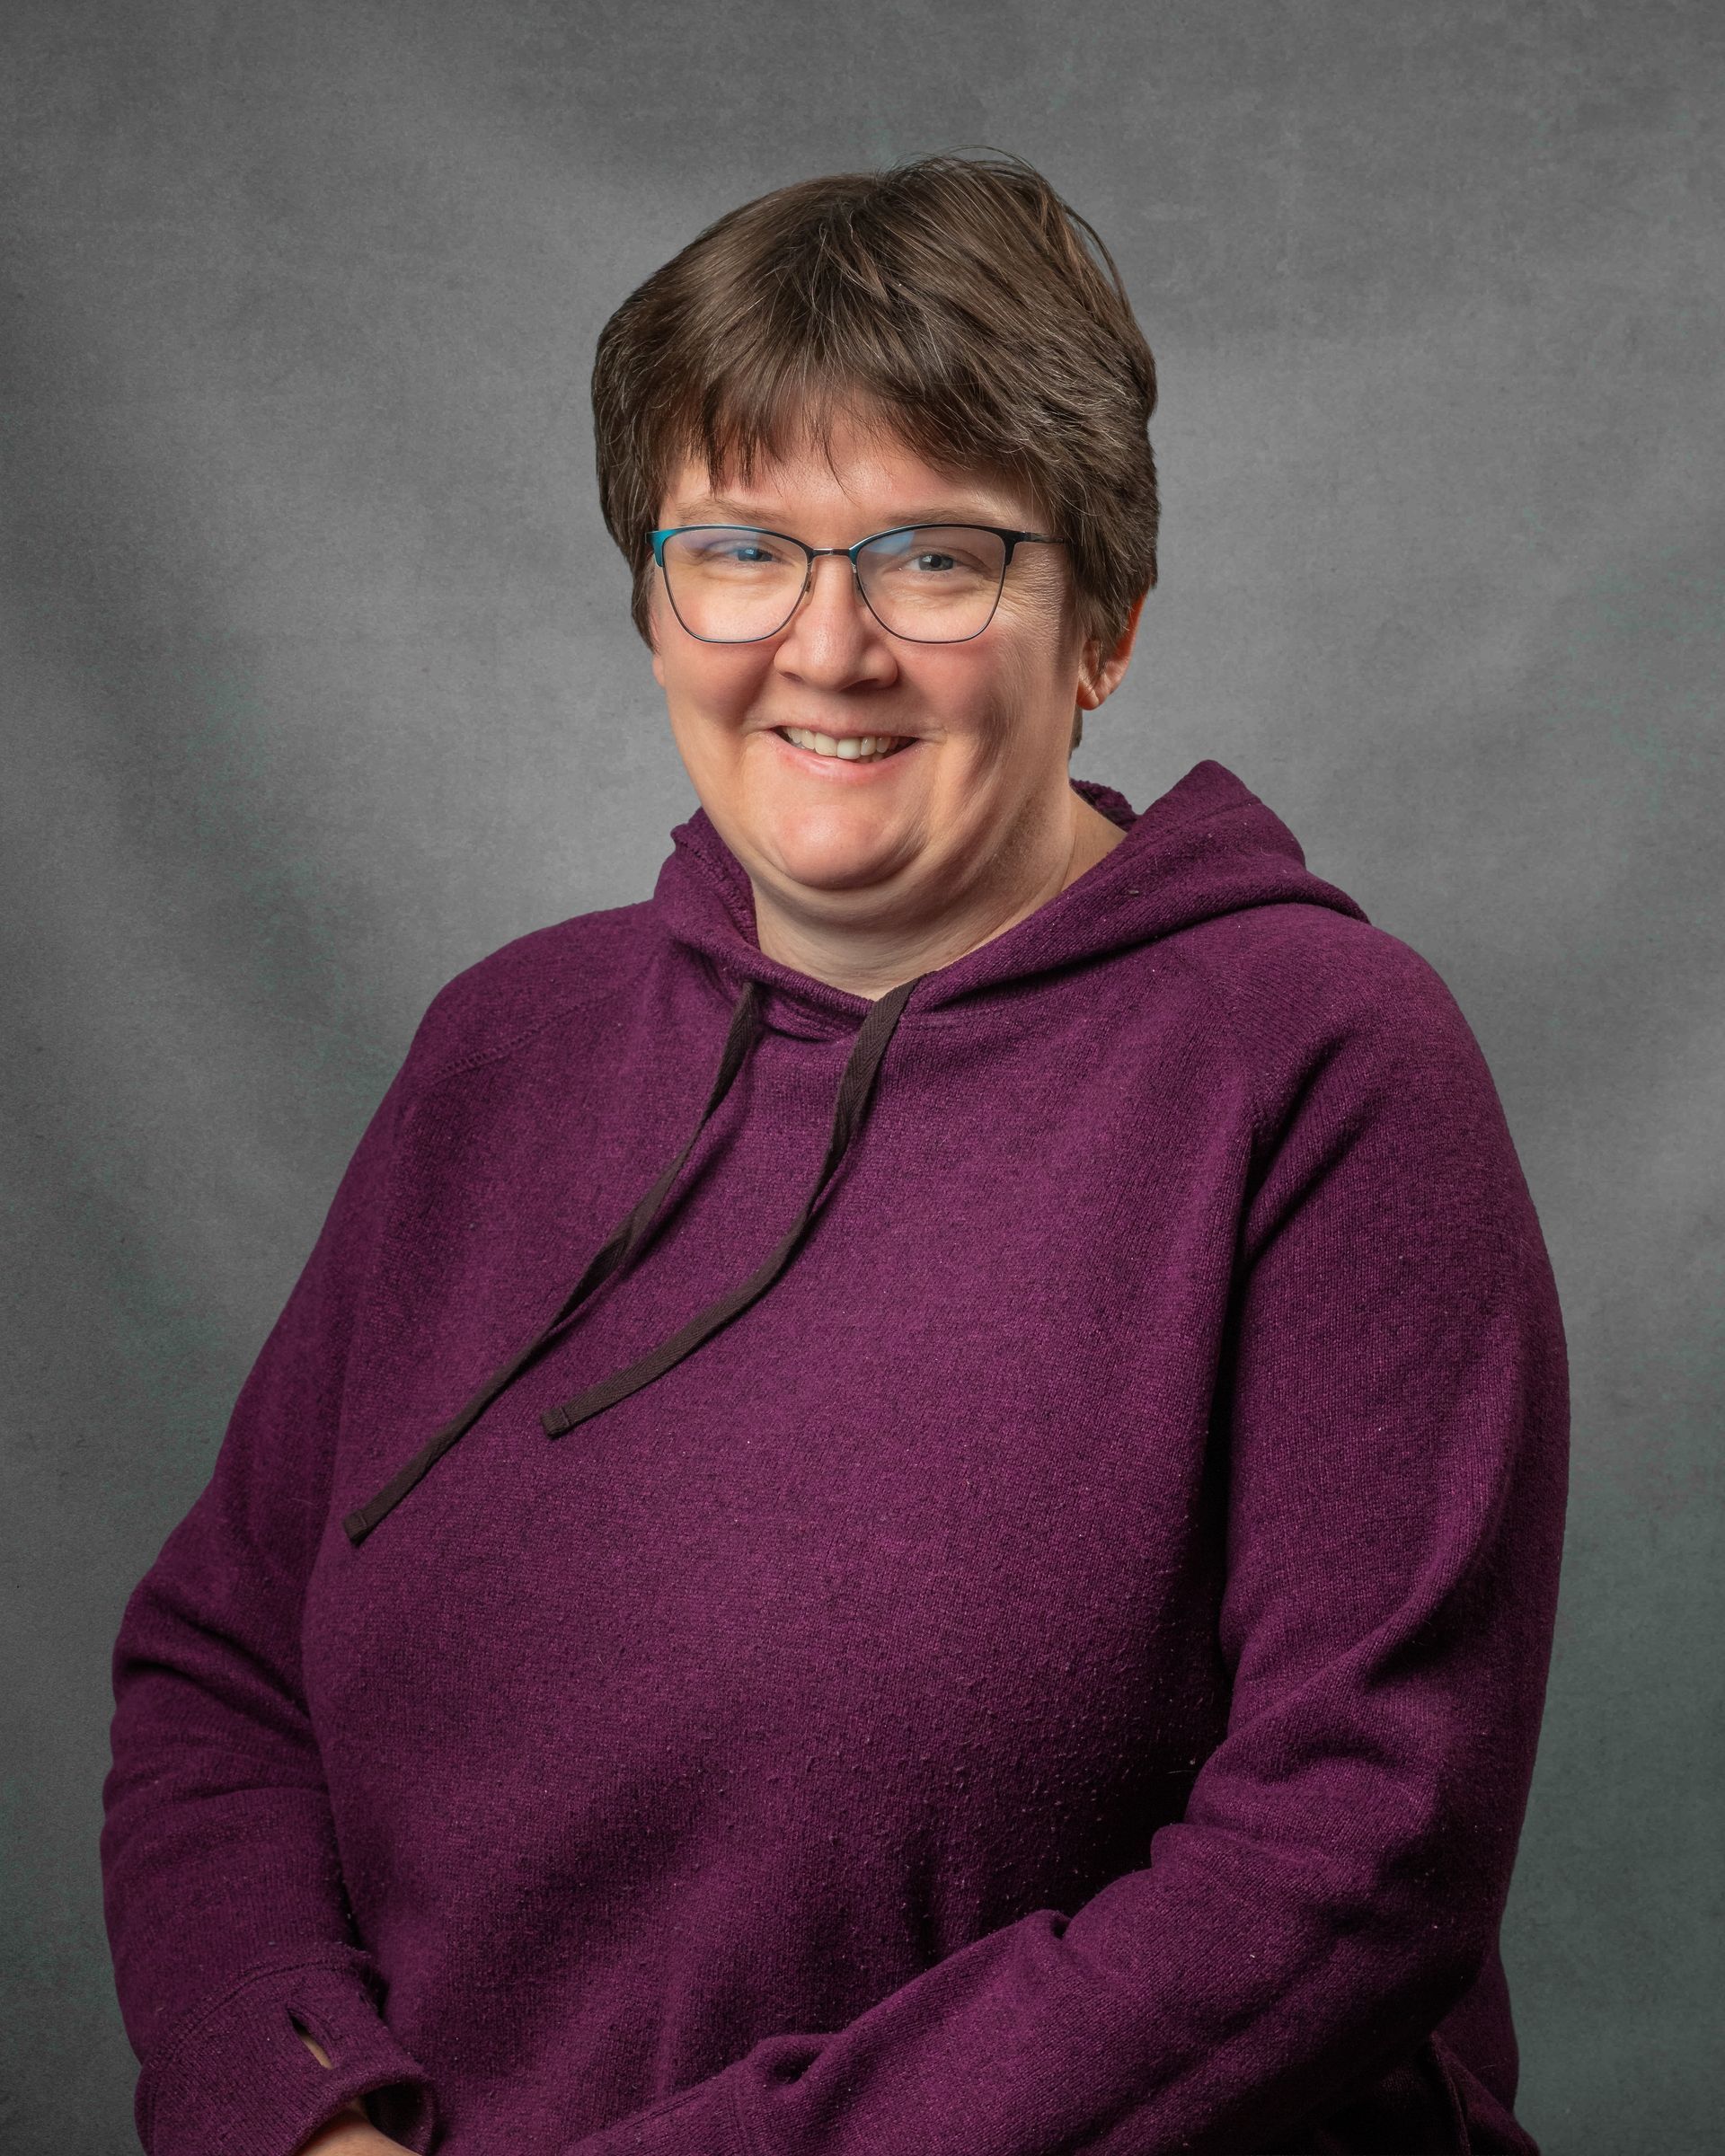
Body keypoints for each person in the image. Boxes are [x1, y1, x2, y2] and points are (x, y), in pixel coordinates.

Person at [101, 155, 1569, 2156]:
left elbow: (1354, 1860)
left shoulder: (1320, 1065)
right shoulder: (502, 1050)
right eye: (740, 550)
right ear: (655, 602)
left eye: (934, 559)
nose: (828, 646)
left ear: (1104, 622)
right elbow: (221, 1675)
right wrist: (310, 2120)